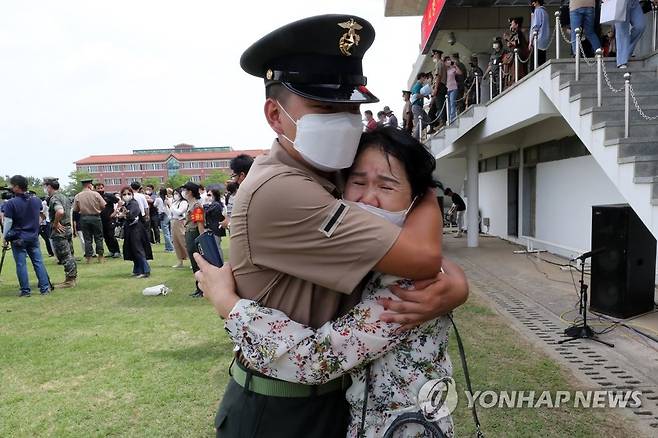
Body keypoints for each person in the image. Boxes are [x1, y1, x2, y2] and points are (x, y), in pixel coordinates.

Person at [193, 14, 467, 438]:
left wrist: (456, 282)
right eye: (324, 107)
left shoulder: (331, 171)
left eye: (350, 108)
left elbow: (423, 257)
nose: (343, 121)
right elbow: (423, 257)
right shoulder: (283, 190)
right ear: (275, 115)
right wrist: (228, 304)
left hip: (333, 403)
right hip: (282, 409)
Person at [1, 175, 51, 296]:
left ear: (17, 187)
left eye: (12, 185)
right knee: (38, 262)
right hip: (33, 236)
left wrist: (5, 237)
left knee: (21, 264)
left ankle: (25, 290)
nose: (11, 187)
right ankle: (45, 288)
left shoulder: (11, 203)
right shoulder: (36, 200)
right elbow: (41, 214)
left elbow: (8, 222)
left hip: (18, 237)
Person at [44, 178, 77, 288]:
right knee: (70, 254)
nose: (45, 189)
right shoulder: (64, 196)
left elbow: (60, 211)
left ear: (49, 187)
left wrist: (55, 223)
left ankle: (70, 280)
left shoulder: (55, 198)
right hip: (67, 228)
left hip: (60, 230)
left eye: (45, 186)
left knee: (64, 255)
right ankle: (71, 278)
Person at [116, 187, 152, 278]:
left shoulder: (134, 203)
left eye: (128, 194)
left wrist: (124, 214)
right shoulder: (127, 204)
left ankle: (145, 270)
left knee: (138, 249)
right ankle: (137, 270)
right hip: (130, 228)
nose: (126, 196)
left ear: (132, 194)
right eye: (124, 194)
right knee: (132, 249)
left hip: (136, 229)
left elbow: (131, 215)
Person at [72, 178, 106, 263]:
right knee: (98, 237)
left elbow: (75, 209)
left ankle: (89, 258)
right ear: (90, 185)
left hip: (84, 218)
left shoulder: (78, 196)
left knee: (87, 239)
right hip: (96, 217)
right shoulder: (96, 194)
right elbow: (103, 205)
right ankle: (100, 257)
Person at [182, 182, 205, 297]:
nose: (184, 193)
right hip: (189, 233)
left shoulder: (196, 206)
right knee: (194, 262)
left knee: (198, 262)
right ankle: (198, 288)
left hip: (194, 234)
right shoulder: (190, 204)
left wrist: (202, 239)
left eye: (185, 190)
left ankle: (202, 289)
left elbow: (200, 223)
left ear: (190, 191)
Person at [614, 0, 647, 68]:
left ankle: (625, 52)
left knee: (640, 26)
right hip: (619, 2)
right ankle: (621, 61)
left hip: (634, 2)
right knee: (622, 31)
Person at [94, 183, 121, 258]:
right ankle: (111, 251)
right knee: (105, 236)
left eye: (101, 188)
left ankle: (117, 251)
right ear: (95, 189)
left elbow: (120, 202)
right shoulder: (95, 197)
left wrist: (115, 212)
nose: (100, 190)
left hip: (110, 219)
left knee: (111, 235)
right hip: (100, 220)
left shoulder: (109, 196)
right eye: (98, 188)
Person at [204, 188, 225, 260]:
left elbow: (207, 211)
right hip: (213, 228)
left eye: (209, 195)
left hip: (216, 228)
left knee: (217, 246)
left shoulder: (216, 204)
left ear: (214, 195)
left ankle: (220, 263)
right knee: (214, 247)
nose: (207, 196)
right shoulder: (214, 204)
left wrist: (206, 204)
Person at [170, 188, 188, 268]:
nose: (175, 195)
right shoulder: (174, 202)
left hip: (180, 222)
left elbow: (179, 212)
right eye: (174, 193)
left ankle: (191, 259)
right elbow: (170, 213)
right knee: (176, 242)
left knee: (183, 241)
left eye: (177, 193)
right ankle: (180, 261)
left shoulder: (183, 202)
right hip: (174, 221)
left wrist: (171, 206)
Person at [529, 0, 550, 68]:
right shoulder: (545, 12)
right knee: (542, 63)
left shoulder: (538, 10)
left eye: (533, 2)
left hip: (538, 40)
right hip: (544, 41)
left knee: (533, 64)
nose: (533, 4)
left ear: (537, 2)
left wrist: (531, 41)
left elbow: (536, 26)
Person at [430, 49, 447, 127]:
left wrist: (436, 88)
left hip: (440, 86)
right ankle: (442, 121)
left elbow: (438, 77)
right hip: (442, 85)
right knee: (440, 105)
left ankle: (442, 122)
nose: (433, 57)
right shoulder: (442, 63)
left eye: (433, 55)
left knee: (440, 105)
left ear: (436, 54)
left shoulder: (439, 63)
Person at [445, 56, 463, 123]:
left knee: (452, 102)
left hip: (454, 88)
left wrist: (455, 66)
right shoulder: (444, 70)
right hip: (447, 89)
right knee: (448, 104)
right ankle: (449, 118)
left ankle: (452, 118)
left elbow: (460, 73)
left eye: (449, 60)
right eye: (447, 60)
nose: (448, 61)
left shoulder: (452, 69)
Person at [160, 188, 174, 252]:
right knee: (170, 232)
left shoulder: (166, 200)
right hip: (171, 216)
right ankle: (168, 247)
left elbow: (163, 208)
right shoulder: (174, 199)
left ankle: (170, 247)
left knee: (166, 233)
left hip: (166, 215)